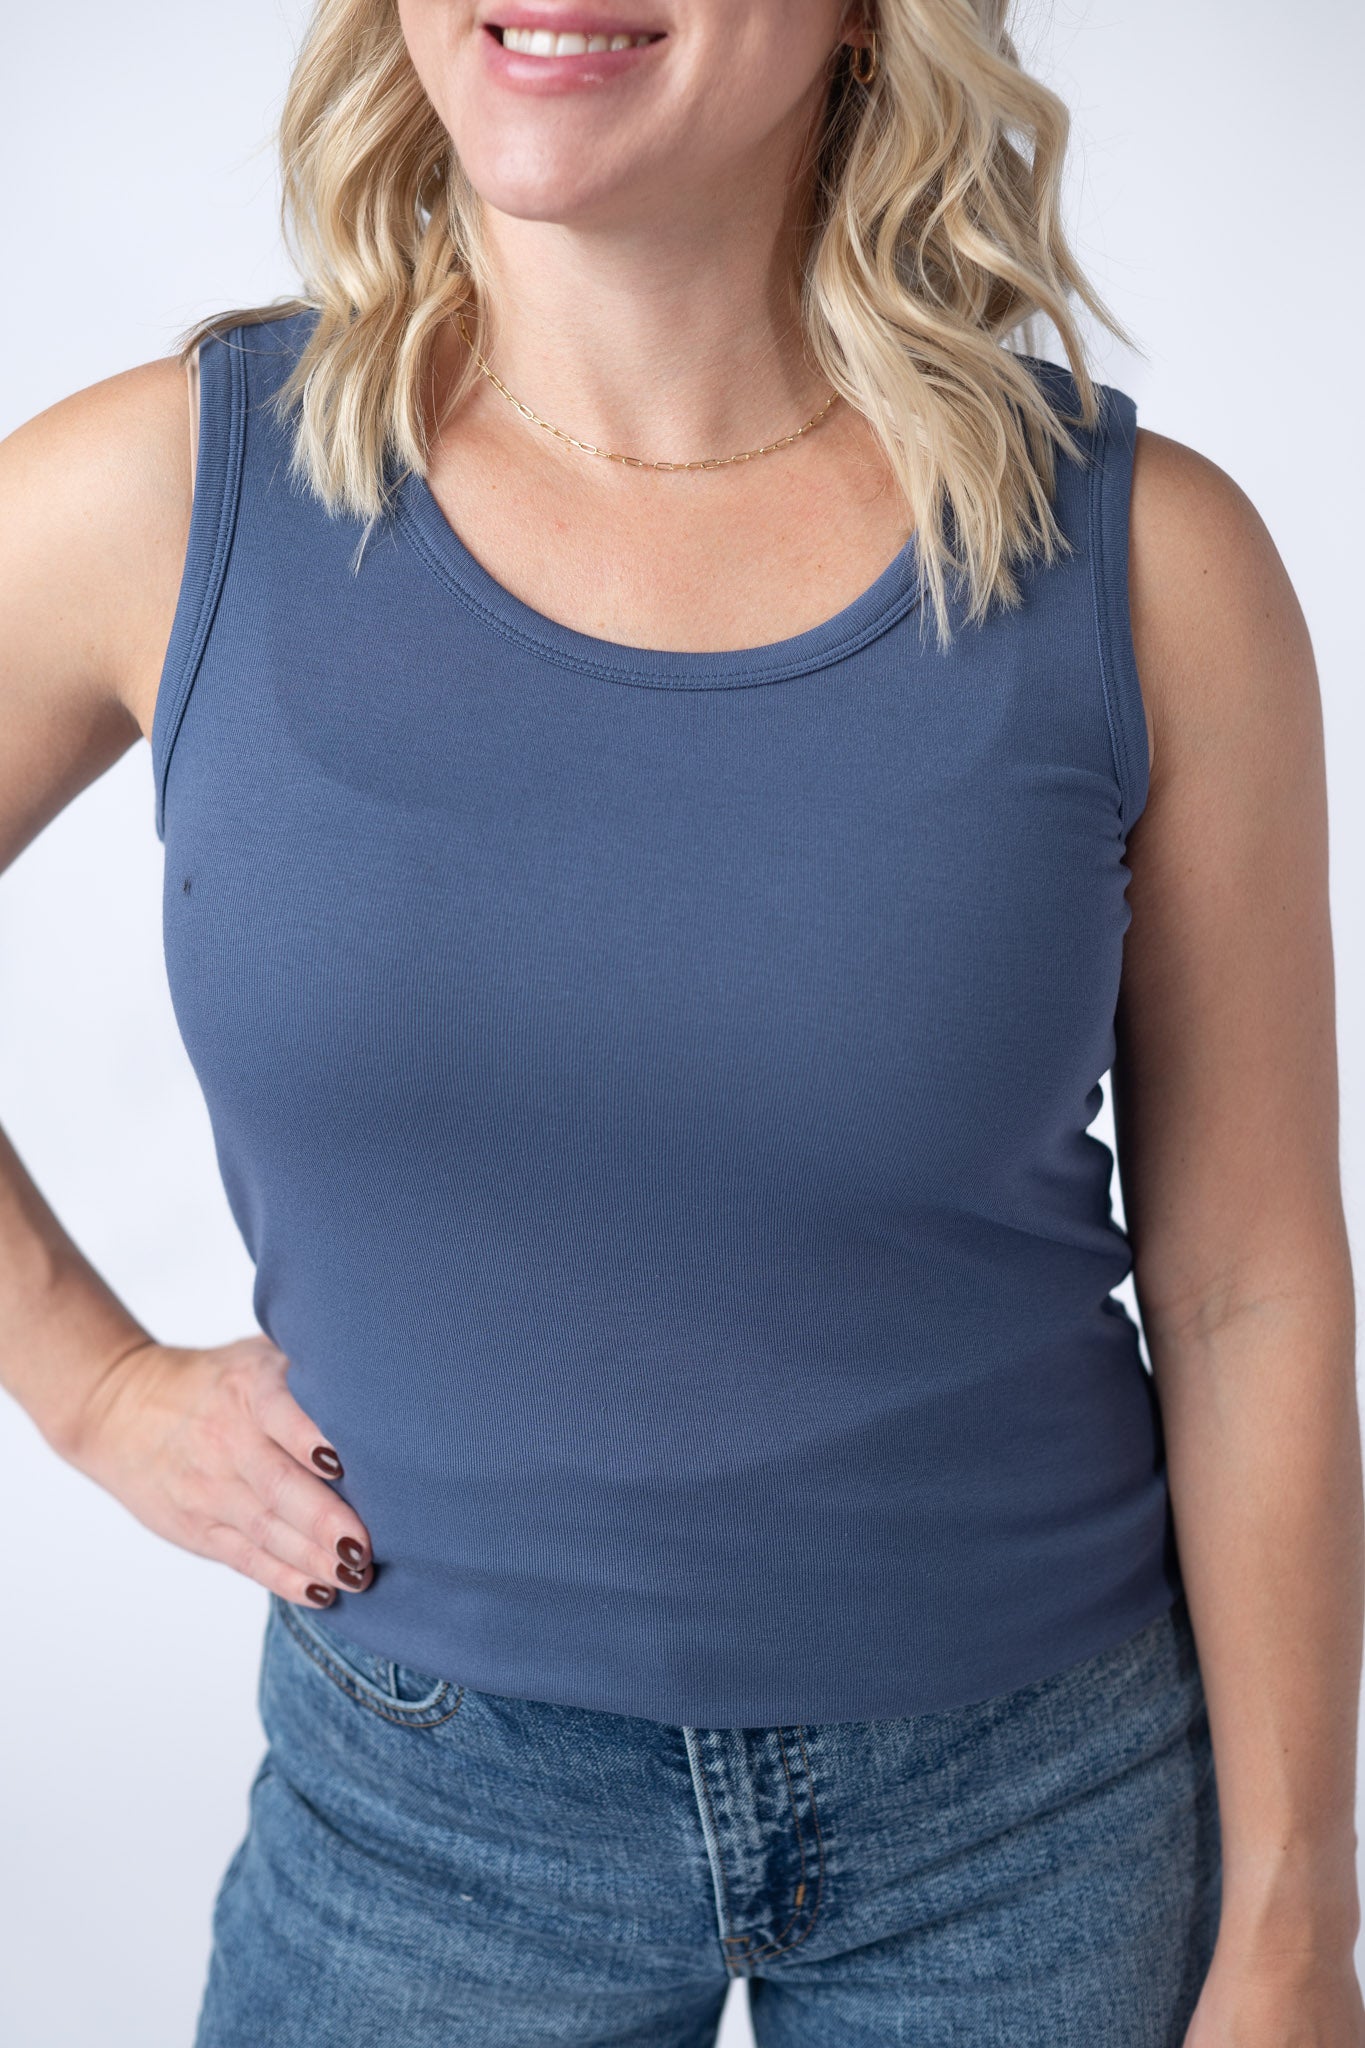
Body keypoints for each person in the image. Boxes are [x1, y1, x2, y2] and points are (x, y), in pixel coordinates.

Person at [2, 1, 1360, 2042]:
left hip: (1037, 1827)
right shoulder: (174, 492)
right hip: (422, 1823)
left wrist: (1291, 1924)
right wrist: (92, 1386)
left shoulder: (1144, 564)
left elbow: (1247, 1281)